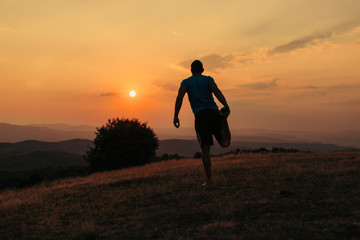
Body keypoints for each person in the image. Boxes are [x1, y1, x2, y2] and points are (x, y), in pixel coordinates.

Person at [173, 60, 230, 186]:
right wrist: (226, 105)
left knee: (205, 150)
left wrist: (176, 115)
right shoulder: (208, 79)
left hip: (201, 116)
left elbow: (179, 97)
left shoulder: (186, 82)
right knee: (225, 143)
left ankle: (209, 180)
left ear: (191, 70)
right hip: (214, 113)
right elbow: (217, 91)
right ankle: (223, 120)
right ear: (202, 70)